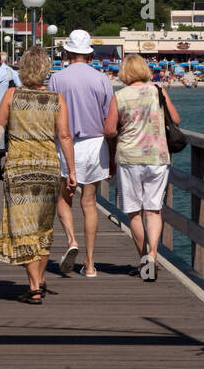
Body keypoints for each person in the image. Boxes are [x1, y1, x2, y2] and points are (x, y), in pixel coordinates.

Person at [0, 46, 76, 303]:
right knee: (43, 228)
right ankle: (39, 280)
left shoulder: (11, 95)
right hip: (48, 169)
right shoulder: (56, 99)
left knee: (23, 227)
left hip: (19, 170)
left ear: (23, 70)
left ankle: (35, 285)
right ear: (46, 70)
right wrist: (71, 170)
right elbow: (65, 136)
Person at [48, 29, 118, 278]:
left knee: (64, 198)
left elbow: (51, 115)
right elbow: (110, 121)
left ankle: (71, 241)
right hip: (96, 144)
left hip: (67, 144)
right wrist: (112, 157)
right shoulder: (101, 79)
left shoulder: (57, 78)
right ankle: (89, 264)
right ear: (89, 53)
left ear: (67, 52)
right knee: (89, 203)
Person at [113, 55, 179, 281]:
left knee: (134, 212)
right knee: (153, 210)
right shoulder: (157, 90)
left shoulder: (119, 96)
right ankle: (152, 255)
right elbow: (176, 120)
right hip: (157, 156)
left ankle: (144, 261)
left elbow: (109, 130)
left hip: (129, 157)